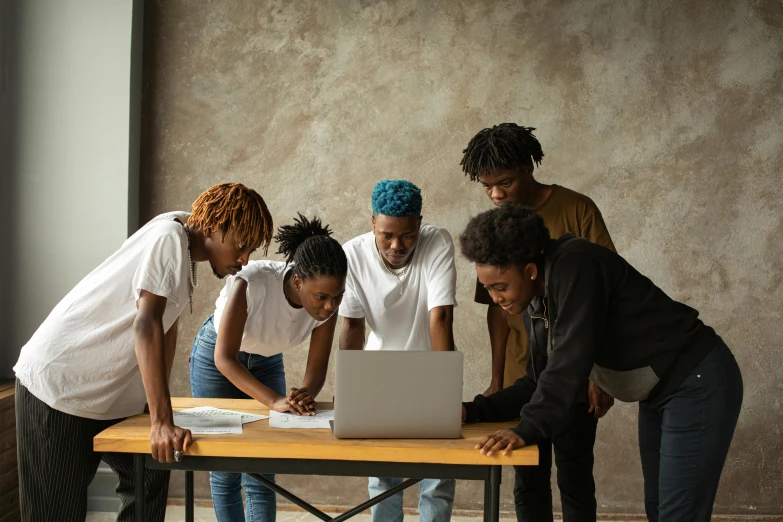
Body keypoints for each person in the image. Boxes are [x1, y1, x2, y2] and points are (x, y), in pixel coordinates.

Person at [460, 204, 743, 522]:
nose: (495, 298)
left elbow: (569, 360)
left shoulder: (575, 264)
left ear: (530, 270)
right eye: (487, 288)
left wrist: (527, 429)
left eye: (500, 287)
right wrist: (472, 411)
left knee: (678, 515)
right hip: (658, 394)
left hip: (696, 381)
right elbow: (537, 381)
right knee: (659, 509)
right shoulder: (535, 302)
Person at [13, 182, 273, 522]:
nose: (244, 259)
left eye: (251, 250)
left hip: (110, 395)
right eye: (241, 245)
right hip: (60, 385)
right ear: (213, 226)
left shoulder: (183, 243)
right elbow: (146, 323)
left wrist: (156, 407)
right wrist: (161, 422)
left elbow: (165, 325)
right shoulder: (169, 238)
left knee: (152, 470)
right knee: (55, 514)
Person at [460, 123, 615, 521]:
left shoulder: (576, 210)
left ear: (528, 167)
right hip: (524, 371)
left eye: (505, 182)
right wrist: (497, 379)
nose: (496, 194)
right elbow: (494, 308)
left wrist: (599, 374)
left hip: (575, 368)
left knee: (575, 473)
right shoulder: (493, 228)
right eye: (487, 186)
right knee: (527, 477)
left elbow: (604, 298)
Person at [190, 214, 347, 522]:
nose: (330, 306)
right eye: (322, 297)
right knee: (225, 469)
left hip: (265, 359)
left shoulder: (328, 306)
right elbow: (225, 359)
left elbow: (315, 371)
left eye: (337, 297)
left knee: (262, 466)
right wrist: (275, 401)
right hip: (217, 357)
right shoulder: (252, 282)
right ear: (299, 281)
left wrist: (304, 395)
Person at [339, 180, 457, 522]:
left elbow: (441, 315)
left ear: (419, 224)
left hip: (431, 367)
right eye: (387, 234)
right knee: (382, 474)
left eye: (407, 235)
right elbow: (352, 326)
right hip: (378, 371)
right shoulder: (352, 254)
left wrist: (442, 386)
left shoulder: (437, 241)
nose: (397, 245)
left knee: (436, 473)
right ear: (373, 222)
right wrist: (349, 388)